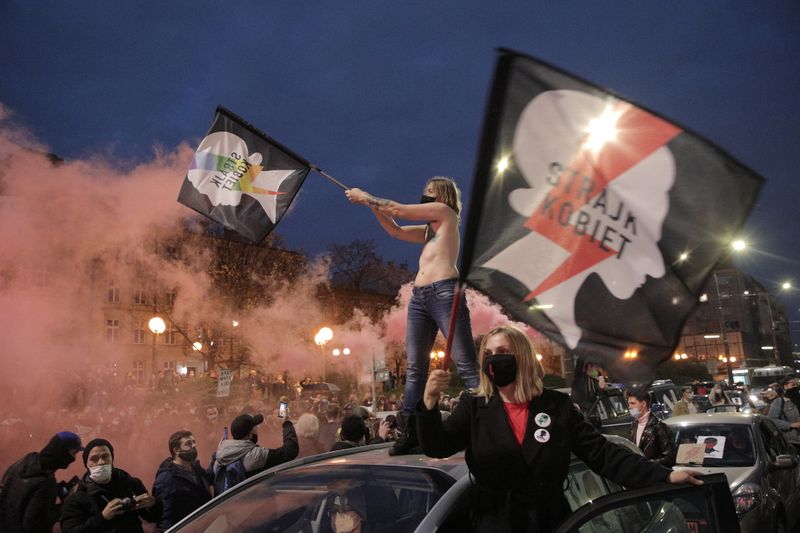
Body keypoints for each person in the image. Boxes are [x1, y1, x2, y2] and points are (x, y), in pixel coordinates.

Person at [417, 324, 701, 532]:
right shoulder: (474, 405)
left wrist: (665, 475)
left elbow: (604, 455)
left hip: (551, 524)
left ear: (523, 356)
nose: (494, 358)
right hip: (494, 525)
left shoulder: (558, 406)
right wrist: (428, 404)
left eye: (503, 351)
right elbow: (437, 446)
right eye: (488, 353)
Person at [346, 177, 480, 455]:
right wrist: (371, 207)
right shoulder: (430, 232)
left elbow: (397, 209)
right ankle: (411, 432)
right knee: (415, 368)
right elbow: (394, 231)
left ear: (442, 196)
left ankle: (488, 419)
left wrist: (365, 196)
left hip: (445, 292)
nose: (424, 197)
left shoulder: (446, 214)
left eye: (428, 193)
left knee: (465, 363)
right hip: (420, 297)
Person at [61, 438, 162, 532]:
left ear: (112, 459)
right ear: (86, 464)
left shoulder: (131, 483)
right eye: (94, 459)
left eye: (105, 456)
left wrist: (153, 504)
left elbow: (152, 517)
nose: (101, 462)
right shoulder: (76, 496)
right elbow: (70, 530)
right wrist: (102, 518)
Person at [0, 431, 83, 533]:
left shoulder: (28, 459)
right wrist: (65, 504)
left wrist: (54, 491)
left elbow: (20, 491)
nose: (74, 459)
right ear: (62, 452)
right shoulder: (46, 483)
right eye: (73, 453)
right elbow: (35, 525)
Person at [212, 413, 298, 493]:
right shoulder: (256, 456)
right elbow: (290, 451)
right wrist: (287, 424)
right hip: (256, 504)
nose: (257, 429)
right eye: (255, 428)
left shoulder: (221, 452)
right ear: (249, 435)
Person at [152, 430, 212, 532]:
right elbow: (166, 518)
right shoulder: (167, 478)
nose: (194, 445)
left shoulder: (195, 467)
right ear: (176, 450)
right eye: (188, 443)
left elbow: (209, 479)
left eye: (194, 442)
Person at [626, 389, 677, 466]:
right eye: (629, 404)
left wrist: (647, 465)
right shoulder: (633, 425)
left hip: (653, 475)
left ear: (643, 404)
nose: (629, 407)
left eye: (633, 403)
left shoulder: (659, 427)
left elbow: (670, 458)